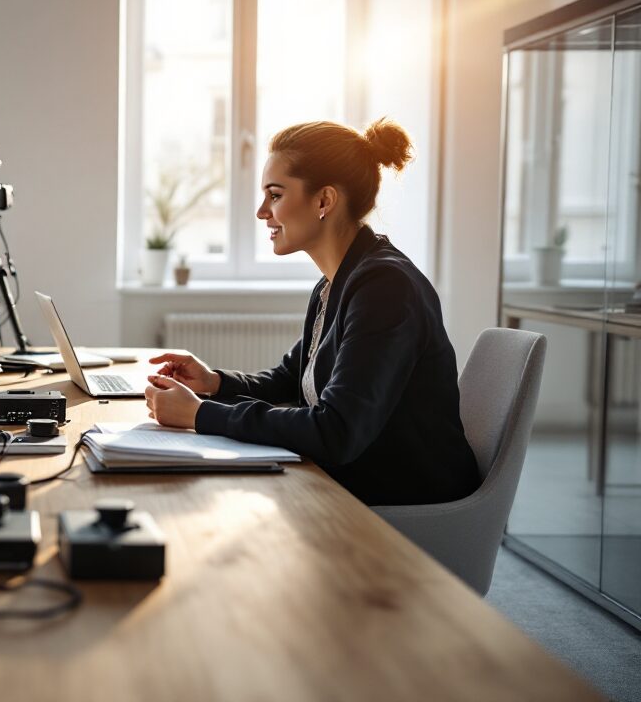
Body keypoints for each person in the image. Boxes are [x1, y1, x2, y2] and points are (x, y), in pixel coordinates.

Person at [144, 118, 479, 506]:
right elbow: (288, 382)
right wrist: (213, 383)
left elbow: (336, 431)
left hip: (404, 505)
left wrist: (201, 415)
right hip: (353, 483)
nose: (261, 212)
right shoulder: (336, 282)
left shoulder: (385, 288)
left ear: (324, 201)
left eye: (275, 195)